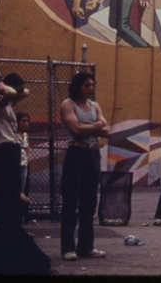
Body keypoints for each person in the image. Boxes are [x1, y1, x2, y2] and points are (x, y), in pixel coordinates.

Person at [60, 72, 109, 261]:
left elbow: (107, 130)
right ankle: (68, 248)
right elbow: (76, 130)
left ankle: (86, 246)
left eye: (92, 85)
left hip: (92, 154)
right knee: (71, 201)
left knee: (89, 202)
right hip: (76, 154)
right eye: (87, 85)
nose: (91, 88)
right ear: (78, 86)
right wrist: (96, 126)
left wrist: (89, 127)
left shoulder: (95, 106)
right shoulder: (68, 104)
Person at [0, 72, 30, 236]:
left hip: (12, 150)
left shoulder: (7, 105)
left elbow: (25, 92)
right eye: (15, 90)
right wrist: (0, 85)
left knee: (13, 192)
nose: (17, 94)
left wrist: (15, 90)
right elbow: (11, 93)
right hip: (4, 150)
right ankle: (2, 228)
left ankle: (12, 228)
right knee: (4, 192)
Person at [15, 112, 31, 222]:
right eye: (23, 121)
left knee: (21, 191)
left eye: (27, 121)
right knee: (15, 191)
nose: (26, 123)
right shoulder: (12, 134)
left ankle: (19, 218)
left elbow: (27, 148)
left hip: (23, 165)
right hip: (15, 165)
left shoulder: (25, 135)